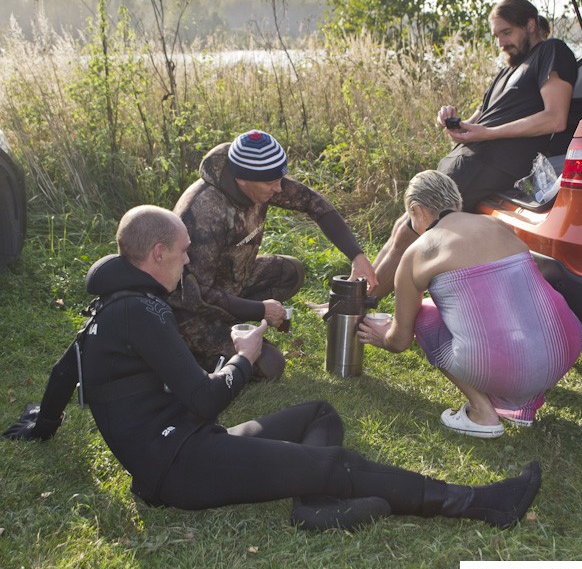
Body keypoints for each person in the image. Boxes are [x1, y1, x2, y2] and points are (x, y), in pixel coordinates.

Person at [3, 205, 541, 531]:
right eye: (184, 253)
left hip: (187, 446)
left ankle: (314, 506)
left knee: (317, 413)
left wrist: (43, 423)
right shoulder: (141, 313)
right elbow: (207, 398)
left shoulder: (109, 310)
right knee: (338, 463)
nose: (189, 261)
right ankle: (476, 503)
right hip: (181, 468)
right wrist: (243, 355)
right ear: (160, 253)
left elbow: (62, 373)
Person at [371, 0, 577, 298]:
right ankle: (359, 290)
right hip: (466, 160)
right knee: (404, 224)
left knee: (411, 230)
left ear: (530, 25)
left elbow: (555, 118)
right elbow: (473, 128)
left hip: (492, 163)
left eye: (506, 32)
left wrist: (488, 134)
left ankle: (362, 303)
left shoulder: (551, 51)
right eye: (496, 36)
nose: (501, 42)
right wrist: (452, 123)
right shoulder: (508, 71)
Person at [358, 171, 582, 437]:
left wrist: (382, 336)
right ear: (457, 203)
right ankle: (526, 404)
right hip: (564, 348)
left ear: (416, 211)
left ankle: (482, 413)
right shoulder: (497, 225)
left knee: (423, 316)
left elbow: (400, 341)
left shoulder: (417, 254)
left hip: (508, 366)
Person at [169, 129, 378, 380]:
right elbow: (194, 294)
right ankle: (198, 351)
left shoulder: (258, 178)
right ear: (242, 180)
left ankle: (235, 324)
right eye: (271, 184)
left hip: (234, 283)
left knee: (291, 272)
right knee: (271, 365)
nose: (279, 189)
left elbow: (312, 202)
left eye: (280, 180)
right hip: (192, 312)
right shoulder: (203, 212)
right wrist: (259, 310)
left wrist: (357, 256)